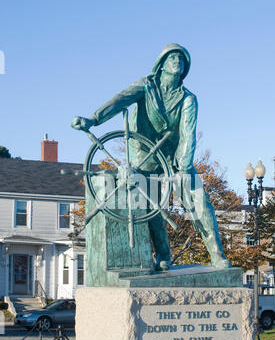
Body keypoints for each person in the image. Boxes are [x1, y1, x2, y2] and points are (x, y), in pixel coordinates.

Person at [71, 43, 230, 270]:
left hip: (174, 157)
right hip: (144, 154)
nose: (177, 61)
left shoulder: (188, 99)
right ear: (162, 64)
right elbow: (120, 100)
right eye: (172, 57)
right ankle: (163, 256)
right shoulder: (146, 85)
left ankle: (217, 254)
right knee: (151, 206)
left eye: (181, 59)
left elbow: (188, 134)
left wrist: (183, 167)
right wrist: (93, 119)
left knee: (199, 202)